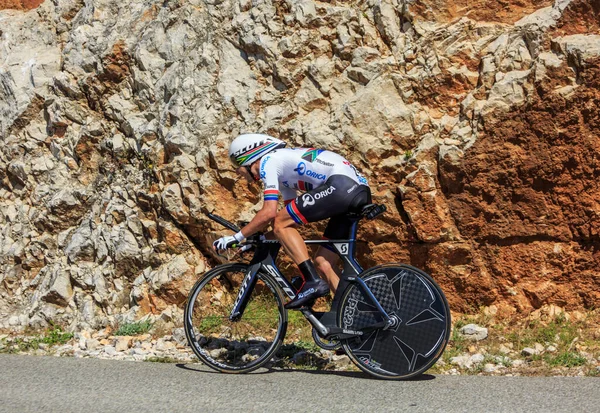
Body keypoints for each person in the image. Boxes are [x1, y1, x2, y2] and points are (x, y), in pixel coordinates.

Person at [213, 133, 371, 309]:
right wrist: (260, 239)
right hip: (356, 190)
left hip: (342, 186)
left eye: (237, 165)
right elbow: (290, 223)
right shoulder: (284, 175)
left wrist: (237, 237)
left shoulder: (269, 161)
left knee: (279, 221)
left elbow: (270, 213)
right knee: (323, 262)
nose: (237, 172)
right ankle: (354, 316)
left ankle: (312, 281)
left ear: (249, 156)